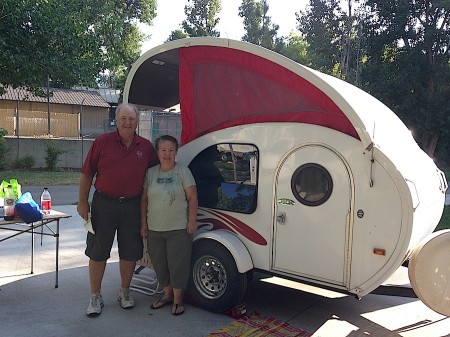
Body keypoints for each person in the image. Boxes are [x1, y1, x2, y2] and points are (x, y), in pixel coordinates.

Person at [77, 103, 158, 317]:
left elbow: (154, 179)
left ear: (137, 121)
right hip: (104, 204)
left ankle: (125, 292)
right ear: (117, 119)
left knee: (130, 252)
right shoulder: (102, 143)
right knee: (98, 252)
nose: (127, 123)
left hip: (132, 206)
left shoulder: (146, 147)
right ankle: (95, 296)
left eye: (131, 119)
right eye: (123, 118)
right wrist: (82, 202)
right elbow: (87, 174)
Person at [140, 135, 198, 316]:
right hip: (155, 228)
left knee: (178, 265)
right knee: (160, 264)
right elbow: (143, 201)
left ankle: (178, 300)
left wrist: (191, 221)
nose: (167, 154)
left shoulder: (183, 172)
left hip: (178, 229)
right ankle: (166, 296)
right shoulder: (151, 173)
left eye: (171, 150)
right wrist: (143, 224)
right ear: (157, 152)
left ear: (176, 152)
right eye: (163, 150)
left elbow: (193, 198)